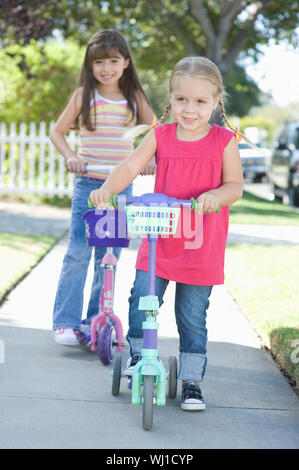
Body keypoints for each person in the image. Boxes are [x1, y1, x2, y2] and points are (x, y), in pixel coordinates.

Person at [89, 56, 243, 410]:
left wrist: (215, 195)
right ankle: (139, 357)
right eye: (181, 100)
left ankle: (191, 381)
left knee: (191, 314)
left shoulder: (224, 141)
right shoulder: (160, 136)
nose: (190, 109)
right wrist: (108, 189)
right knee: (143, 298)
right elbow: (129, 166)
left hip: (200, 243)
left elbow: (234, 186)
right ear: (170, 99)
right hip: (160, 238)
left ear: (216, 102)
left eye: (201, 101)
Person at [50, 29, 155, 346]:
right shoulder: (85, 95)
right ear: (90, 65)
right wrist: (71, 156)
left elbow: (157, 133)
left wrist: (152, 159)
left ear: (125, 62)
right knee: (79, 253)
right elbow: (57, 132)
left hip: (121, 189)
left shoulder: (134, 97)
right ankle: (66, 323)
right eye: (99, 62)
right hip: (88, 185)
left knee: (108, 257)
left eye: (113, 60)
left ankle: (96, 319)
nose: (106, 68)